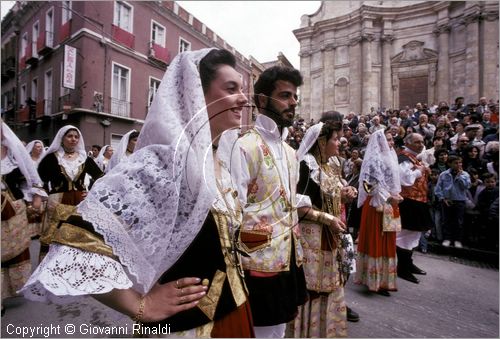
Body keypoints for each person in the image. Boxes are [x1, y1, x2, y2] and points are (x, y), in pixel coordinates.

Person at [22, 48, 255, 337]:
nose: (244, 99)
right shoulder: (163, 163)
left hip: (235, 312)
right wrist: (139, 306)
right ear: (196, 96)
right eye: (231, 89)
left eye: (242, 90)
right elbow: (76, 242)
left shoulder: (219, 162)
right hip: (188, 327)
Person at [230, 65, 321, 338]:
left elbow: (285, 198)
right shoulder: (243, 147)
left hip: (289, 259)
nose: (293, 102)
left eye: (295, 96)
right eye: (285, 95)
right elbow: (233, 212)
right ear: (261, 101)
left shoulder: (291, 152)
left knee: (279, 331)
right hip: (256, 264)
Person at [290, 121, 350, 337]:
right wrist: (326, 218)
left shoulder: (329, 165)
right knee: (310, 287)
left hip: (328, 235)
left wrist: (344, 194)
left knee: (329, 285)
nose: (339, 143)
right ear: (322, 142)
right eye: (335, 139)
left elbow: (329, 196)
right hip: (310, 237)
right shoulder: (305, 166)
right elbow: (296, 206)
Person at [1, 122, 46, 316]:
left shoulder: (13, 151)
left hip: (14, 209)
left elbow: (33, 177)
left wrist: (36, 197)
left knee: (13, 252)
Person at [354, 128, 403, 296]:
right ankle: (373, 280)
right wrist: (387, 196)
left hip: (391, 204)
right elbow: (368, 186)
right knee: (376, 239)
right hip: (376, 204)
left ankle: (385, 281)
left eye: (391, 140)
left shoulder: (391, 156)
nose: (390, 143)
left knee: (388, 239)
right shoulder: (373, 160)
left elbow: (394, 182)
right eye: (387, 139)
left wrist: (395, 195)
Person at [396, 133, 432, 284]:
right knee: (405, 235)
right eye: (417, 142)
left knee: (414, 235)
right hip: (408, 202)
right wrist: (419, 171)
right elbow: (404, 179)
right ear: (408, 143)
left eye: (422, 141)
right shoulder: (404, 158)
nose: (421, 144)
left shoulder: (415, 158)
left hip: (418, 201)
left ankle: (408, 264)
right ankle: (402, 268)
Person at [434, 155, 471, 249]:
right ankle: (447, 238)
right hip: (447, 200)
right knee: (446, 220)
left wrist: (460, 177)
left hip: (460, 200)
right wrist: (443, 198)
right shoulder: (444, 174)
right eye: (456, 163)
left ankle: (457, 240)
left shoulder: (465, 174)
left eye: (460, 163)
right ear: (450, 164)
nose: (458, 165)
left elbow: (466, 187)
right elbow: (438, 188)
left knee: (458, 221)